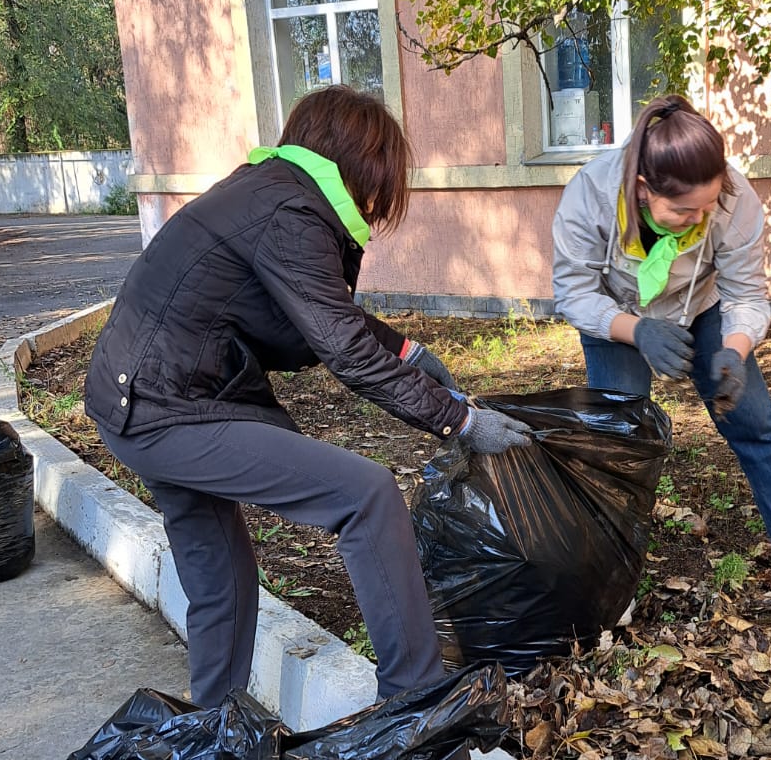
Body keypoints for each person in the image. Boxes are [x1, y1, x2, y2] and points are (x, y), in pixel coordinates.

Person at [85, 86, 533, 707]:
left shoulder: (267, 192)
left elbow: (315, 309)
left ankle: (214, 736)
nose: (379, 204)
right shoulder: (291, 214)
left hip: (136, 401)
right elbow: (343, 347)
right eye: (382, 181)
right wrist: (460, 421)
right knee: (367, 496)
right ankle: (419, 703)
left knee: (224, 582)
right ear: (360, 164)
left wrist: (409, 353)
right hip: (168, 410)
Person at [551, 93, 771, 577]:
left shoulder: (735, 197)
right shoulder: (590, 196)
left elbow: (746, 293)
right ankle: (607, 568)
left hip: (703, 307)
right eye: (684, 210)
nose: (699, 219)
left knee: (755, 421)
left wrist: (733, 348)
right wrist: (638, 331)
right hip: (615, 314)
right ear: (642, 188)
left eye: (707, 207)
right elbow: (574, 293)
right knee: (619, 436)